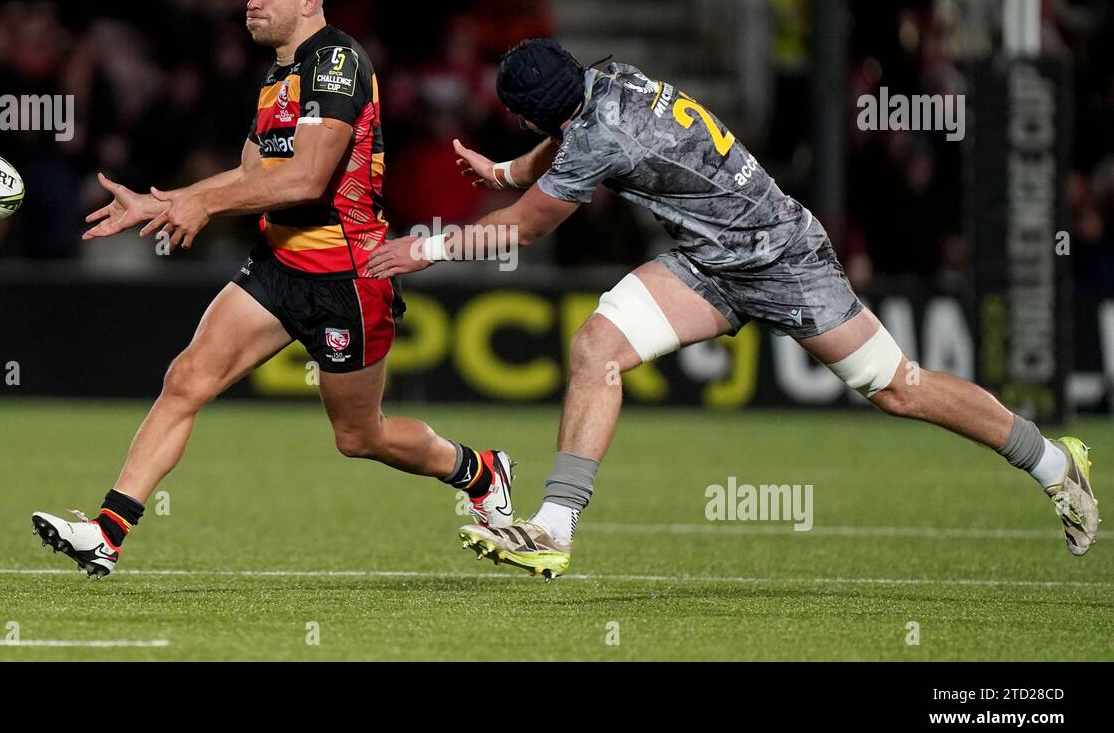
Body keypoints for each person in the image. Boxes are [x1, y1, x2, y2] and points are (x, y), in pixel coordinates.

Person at [367, 38, 1098, 580]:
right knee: (597, 347)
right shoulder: (606, 79)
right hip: (706, 261)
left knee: (898, 388)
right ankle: (554, 526)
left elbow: (522, 226)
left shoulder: (597, 135)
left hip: (783, 256)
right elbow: (563, 145)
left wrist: (425, 249)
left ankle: (1053, 461)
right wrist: (500, 170)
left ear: (527, 113)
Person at [31, 0, 512, 577]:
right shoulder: (275, 77)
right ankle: (107, 532)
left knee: (358, 437)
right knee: (186, 380)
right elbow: (253, 173)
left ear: (310, 1)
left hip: (348, 274)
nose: (251, 2)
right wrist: (169, 202)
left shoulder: (336, 63)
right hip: (280, 265)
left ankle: (478, 471)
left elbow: (307, 180)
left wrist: (201, 207)